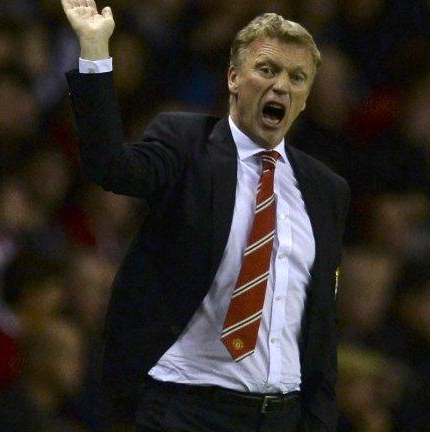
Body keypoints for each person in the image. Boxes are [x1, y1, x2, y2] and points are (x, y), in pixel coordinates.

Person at [61, 1, 350, 431]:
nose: (281, 87)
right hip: (186, 408)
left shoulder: (327, 190)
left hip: (281, 416)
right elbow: (110, 166)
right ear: (234, 78)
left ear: (305, 99)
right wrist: (94, 48)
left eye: (297, 77)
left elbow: (319, 323)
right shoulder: (186, 144)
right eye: (267, 70)